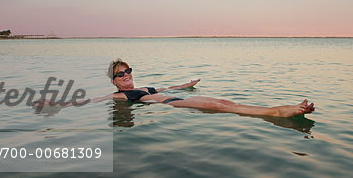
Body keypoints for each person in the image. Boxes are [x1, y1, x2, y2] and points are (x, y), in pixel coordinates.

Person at [102, 59, 315, 118]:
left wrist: (187, 85)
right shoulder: (120, 95)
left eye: (127, 70)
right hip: (171, 104)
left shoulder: (147, 87)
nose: (126, 74)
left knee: (224, 103)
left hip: (176, 98)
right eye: (120, 74)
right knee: (218, 105)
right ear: (114, 81)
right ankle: (278, 112)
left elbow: (170, 86)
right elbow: (96, 100)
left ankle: (274, 110)